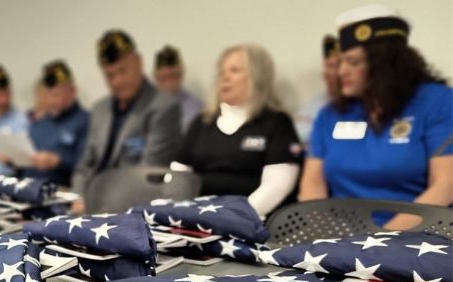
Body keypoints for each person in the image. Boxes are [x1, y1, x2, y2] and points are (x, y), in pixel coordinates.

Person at [299, 5, 453, 228]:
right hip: (337, 239)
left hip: (416, 237)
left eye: (353, 62)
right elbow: (312, 184)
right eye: (341, 61)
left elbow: (445, 186)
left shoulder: (438, 102)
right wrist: (325, 236)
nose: (342, 71)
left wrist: (378, 241)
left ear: (386, 64)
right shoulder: (329, 114)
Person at [177, 44, 304, 217]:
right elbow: (178, 173)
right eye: (221, 72)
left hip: (253, 225)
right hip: (198, 221)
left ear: (257, 76)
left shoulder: (277, 123)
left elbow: (277, 186)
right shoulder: (202, 122)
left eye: (234, 70)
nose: (224, 78)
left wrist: (233, 218)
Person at [71, 30, 181, 213]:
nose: (117, 81)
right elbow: (84, 166)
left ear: (139, 62)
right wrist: (78, 196)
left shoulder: (163, 107)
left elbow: (148, 176)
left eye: (122, 71)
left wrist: (96, 203)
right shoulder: (100, 109)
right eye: (109, 75)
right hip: (86, 205)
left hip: (128, 209)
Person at [25, 60, 90, 186]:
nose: (50, 101)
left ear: (72, 91)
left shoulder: (86, 121)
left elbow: (89, 165)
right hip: (30, 188)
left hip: (62, 191)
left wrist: (58, 161)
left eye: (55, 95)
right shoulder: (40, 123)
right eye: (47, 95)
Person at [294, 36, 341, 144]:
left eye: (335, 66)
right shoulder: (310, 107)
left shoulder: (360, 109)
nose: (328, 73)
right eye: (327, 66)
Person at [153, 45, 203, 132]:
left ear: (181, 74)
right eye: (164, 78)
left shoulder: (195, 108)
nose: (169, 83)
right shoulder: (144, 105)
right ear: (156, 77)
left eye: (173, 76)